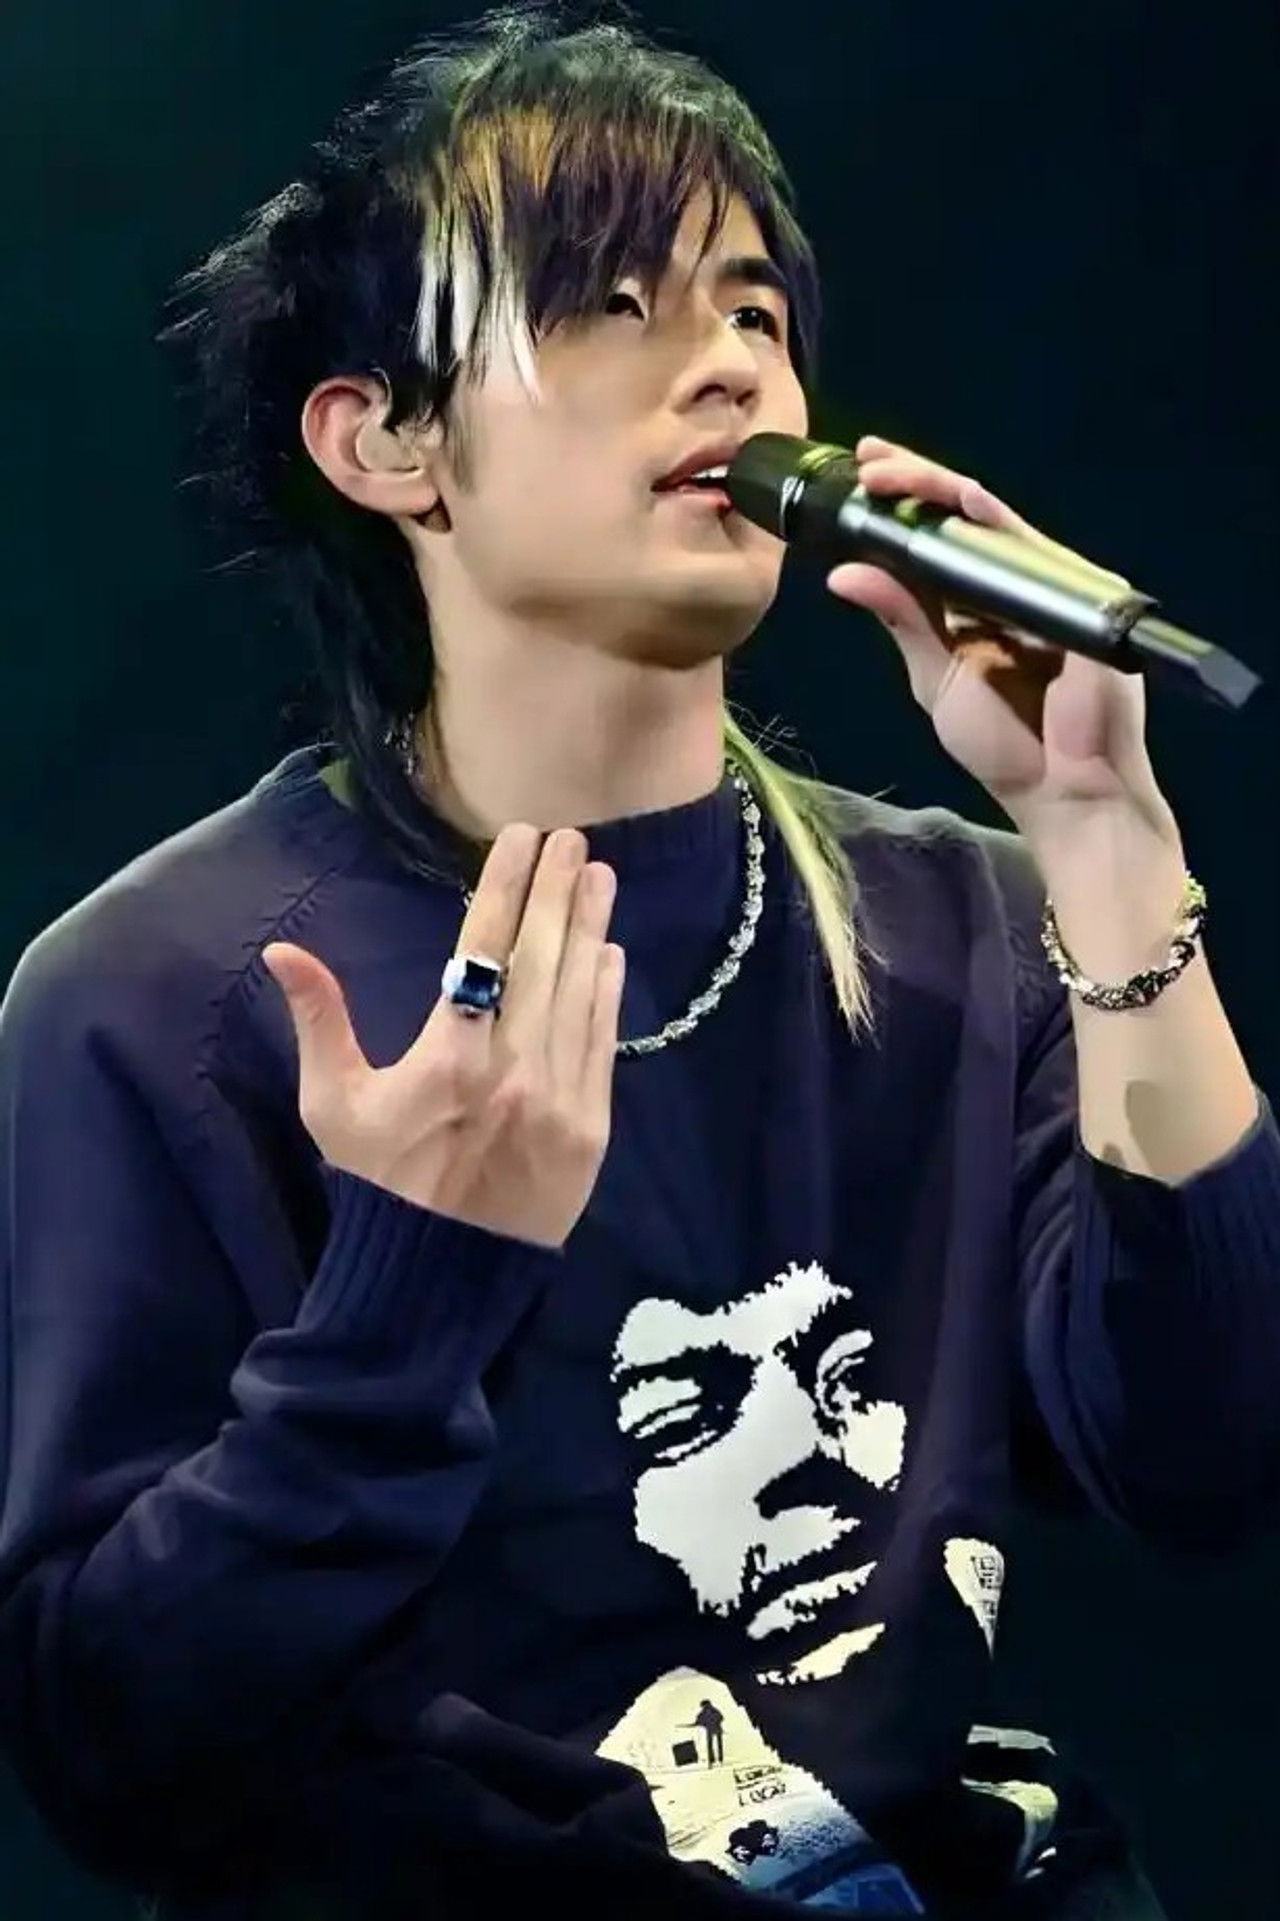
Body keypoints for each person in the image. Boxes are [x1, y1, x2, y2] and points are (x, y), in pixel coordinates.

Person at [1, 7, 1277, 1921]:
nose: (732, 366)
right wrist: (405, 1294)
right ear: (385, 440)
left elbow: (1208, 1461)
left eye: (755, 310)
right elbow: (113, 1745)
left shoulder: (971, 927)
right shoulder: (154, 996)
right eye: (609, 304)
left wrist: (1104, 840)